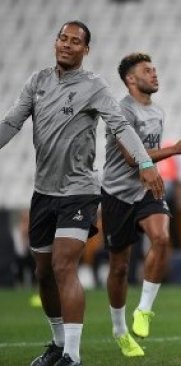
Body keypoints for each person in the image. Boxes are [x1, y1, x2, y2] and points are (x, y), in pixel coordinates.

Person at [0, 21, 163, 366]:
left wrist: (146, 162)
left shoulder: (94, 86)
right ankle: (58, 345)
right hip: (43, 192)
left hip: (80, 190)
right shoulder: (37, 82)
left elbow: (120, 125)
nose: (68, 45)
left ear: (86, 50)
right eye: (63, 38)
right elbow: (12, 121)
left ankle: (73, 356)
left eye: (76, 41)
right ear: (55, 41)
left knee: (63, 264)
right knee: (43, 272)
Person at [102, 52, 181, 357]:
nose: (155, 74)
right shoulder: (122, 111)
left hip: (146, 189)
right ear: (131, 79)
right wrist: (174, 150)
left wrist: (164, 156)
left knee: (162, 237)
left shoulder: (157, 111)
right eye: (147, 70)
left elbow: (147, 157)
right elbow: (133, 157)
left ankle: (143, 310)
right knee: (119, 267)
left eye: (155, 69)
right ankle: (119, 330)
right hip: (117, 192)